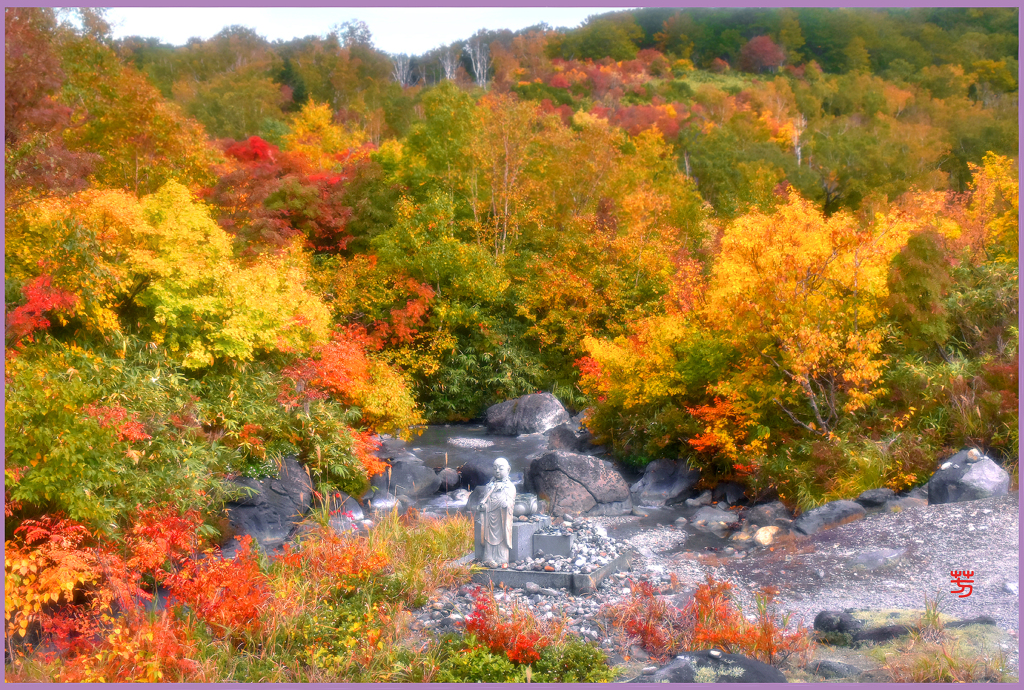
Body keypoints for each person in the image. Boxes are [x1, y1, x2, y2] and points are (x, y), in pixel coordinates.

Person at [476, 457, 516, 567]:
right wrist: (483, 507)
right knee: (488, 539)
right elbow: (485, 501)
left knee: (502, 539)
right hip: (489, 518)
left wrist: (507, 505)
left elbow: (511, 503)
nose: (497, 471)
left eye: (500, 468)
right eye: (495, 468)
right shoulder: (489, 486)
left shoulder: (510, 487)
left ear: (508, 470)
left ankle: (502, 559)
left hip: (502, 518)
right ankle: (488, 558)